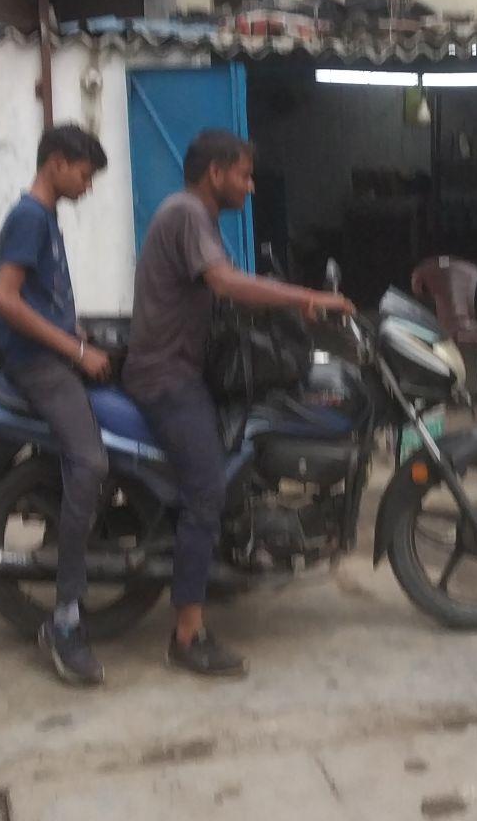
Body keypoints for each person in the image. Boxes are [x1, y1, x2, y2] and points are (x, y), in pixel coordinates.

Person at [121, 129, 353, 681]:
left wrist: (288, 310)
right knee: (207, 490)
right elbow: (225, 284)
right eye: (244, 176)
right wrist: (307, 297)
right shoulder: (186, 214)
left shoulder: (197, 217)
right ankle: (186, 636)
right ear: (216, 172)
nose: (250, 187)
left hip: (187, 368)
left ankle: (219, 562)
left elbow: (222, 293)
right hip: (167, 378)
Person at [0, 124, 113, 689]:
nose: (87, 186)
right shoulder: (29, 217)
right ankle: (64, 620)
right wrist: (75, 351)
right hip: (37, 365)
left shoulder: (44, 217)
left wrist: (79, 334)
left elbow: (45, 298)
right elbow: (5, 300)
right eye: (84, 175)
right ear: (57, 163)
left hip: (55, 353)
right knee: (90, 463)